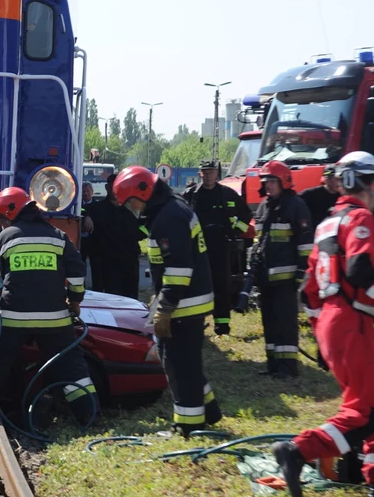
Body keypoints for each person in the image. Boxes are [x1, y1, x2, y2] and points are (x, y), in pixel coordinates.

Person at [276, 151, 374, 497]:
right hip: (352, 321)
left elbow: (309, 286)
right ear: (368, 183)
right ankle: (298, 450)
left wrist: (321, 335)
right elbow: (361, 271)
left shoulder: (326, 223)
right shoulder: (361, 217)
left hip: (331, 322)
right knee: (367, 413)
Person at [114, 166, 222, 434]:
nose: (133, 208)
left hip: (185, 302)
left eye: (130, 202)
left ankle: (187, 425)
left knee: (178, 362)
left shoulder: (168, 218)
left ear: (143, 191)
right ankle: (209, 410)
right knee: (181, 359)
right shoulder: (170, 209)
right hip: (186, 298)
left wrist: (165, 308)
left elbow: (179, 269)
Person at [0, 187, 98, 425]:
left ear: (10, 213)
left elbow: (3, 275)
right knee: (71, 365)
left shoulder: (6, 237)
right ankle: (88, 415)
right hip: (54, 318)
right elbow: (77, 272)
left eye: (1, 219)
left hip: (13, 317)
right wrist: (74, 302)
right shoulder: (57, 235)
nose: (1, 224)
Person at [247, 161, 313, 377]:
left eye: (273, 181)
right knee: (270, 321)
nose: (268, 186)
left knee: (285, 323)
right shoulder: (265, 206)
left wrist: (301, 274)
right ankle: (273, 364)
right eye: (266, 182)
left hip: (286, 278)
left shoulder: (296, 205)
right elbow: (259, 239)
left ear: (284, 182)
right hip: (266, 277)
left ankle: (288, 367)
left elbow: (305, 244)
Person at [182, 160, 252, 336]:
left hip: (220, 247)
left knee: (220, 286)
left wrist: (236, 232)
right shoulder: (191, 194)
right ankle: (197, 324)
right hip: (197, 247)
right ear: (200, 174)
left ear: (216, 174)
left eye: (211, 172)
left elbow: (246, 214)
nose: (208, 175)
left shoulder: (227, 193)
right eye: (205, 172)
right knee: (197, 285)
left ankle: (222, 327)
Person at [86, 174, 145, 299]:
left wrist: (136, 234)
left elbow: (145, 227)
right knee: (113, 299)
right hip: (110, 265)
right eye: (114, 187)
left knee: (132, 300)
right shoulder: (97, 209)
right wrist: (86, 217)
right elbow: (80, 209)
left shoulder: (132, 209)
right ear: (107, 187)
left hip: (130, 263)